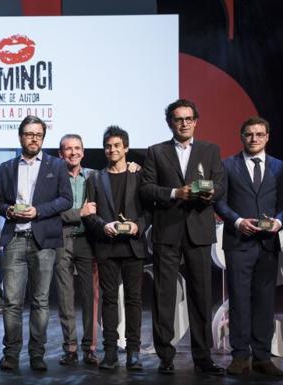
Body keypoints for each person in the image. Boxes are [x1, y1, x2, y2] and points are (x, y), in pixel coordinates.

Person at [140, 99, 225, 375]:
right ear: (170, 123)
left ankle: (203, 358)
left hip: (199, 231)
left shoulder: (210, 150)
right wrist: (177, 193)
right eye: (178, 119)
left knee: (201, 297)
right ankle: (165, 356)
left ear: (196, 121)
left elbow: (221, 185)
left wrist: (212, 193)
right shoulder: (156, 152)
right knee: (163, 296)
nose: (184, 123)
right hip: (167, 231)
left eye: (189, 118)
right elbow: (147, 189)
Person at [0, 115, 72, 371]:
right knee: (12, 302)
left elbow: (66, 200)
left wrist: (38, 211)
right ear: (21, 137)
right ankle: (11, 355)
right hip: (15, 238)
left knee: (40, 301)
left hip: (44, 241)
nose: (34, 138)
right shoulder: (7, 167)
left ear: (43, 137)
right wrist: (9, 211)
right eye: (29, 134)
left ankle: (37, 355)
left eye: (38, 134)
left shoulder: (57, 165)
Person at [214, 117, 283, 376]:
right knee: (239, 302)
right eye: (249, 134)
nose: (254, 139)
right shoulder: (227, 165)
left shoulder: (279, 167)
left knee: (265, 302)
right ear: (241, 137)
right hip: (238, 243)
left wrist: (279, 221)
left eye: (259, 134)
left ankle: (262, 357)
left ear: (267, 136)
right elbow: (219, 202)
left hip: (267, 245)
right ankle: (240, 356)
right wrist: (237, 221)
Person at [84, 126, 149, 370]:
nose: (112, 150)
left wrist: (137, 226)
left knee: (134, 301)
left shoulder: (138, 175)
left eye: (117, 146)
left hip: (133, 246)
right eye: (108, 146)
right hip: (107, 246)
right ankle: (110, 352)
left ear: (126, 149)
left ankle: (134, 352)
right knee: (109, 301)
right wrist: (104, 226)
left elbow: (148, 212)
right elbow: (89, 214)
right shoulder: (95, 178)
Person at [54, 134, 98, 366]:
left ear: (83, 151)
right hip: (62, 239)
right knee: (65, 296)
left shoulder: (94, 176)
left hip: (87, 241)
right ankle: (70, 348)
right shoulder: (52, 178)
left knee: (90, 296)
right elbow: (52, 211)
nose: (73, 152)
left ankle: (90, 347)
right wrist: (78, 213)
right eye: (67, 149)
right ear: (61, 153)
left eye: (77, 148)